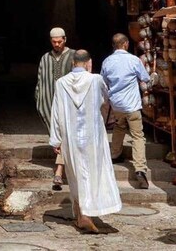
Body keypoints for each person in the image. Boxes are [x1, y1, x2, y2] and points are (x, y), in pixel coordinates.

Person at [50, 49, 122, 233]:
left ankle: (82, 213)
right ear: (88, 63)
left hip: (71, 137)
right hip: (93, 137)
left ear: (73, 63)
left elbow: (56, 112)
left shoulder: (61, 83)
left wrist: (56, 139)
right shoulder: (96, 79)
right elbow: (106, 99)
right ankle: (85, 214)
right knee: (92, 174)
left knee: (75, 176)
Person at [101, 32, 150, 189]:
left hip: (117, 105)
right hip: (132, 105)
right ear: (126, 44)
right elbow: (146, 78)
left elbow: (104, 82)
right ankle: (140, 169)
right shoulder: (134, 60)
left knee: (119, 127)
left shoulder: (107, 61)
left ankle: (115, 154)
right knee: (137, 135)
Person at [35, 27, 76, 190]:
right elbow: (41, 80)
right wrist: (40, 99)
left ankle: (59, 171)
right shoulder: (45, 58)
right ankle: (62, 169)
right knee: (59, 137)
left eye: (60, 41)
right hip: (50, 104)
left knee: (64, 137)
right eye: (54, 42)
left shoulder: (73, 56)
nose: (57, 44)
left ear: (65, 39)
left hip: (69, 105)